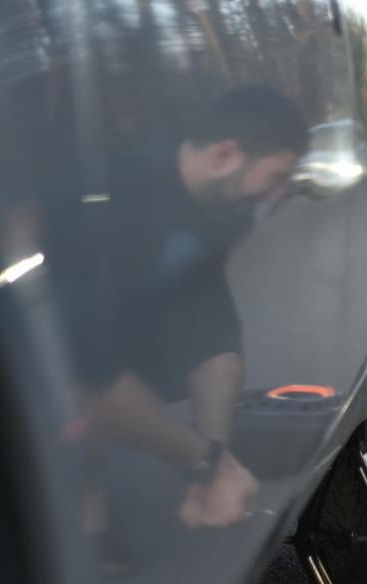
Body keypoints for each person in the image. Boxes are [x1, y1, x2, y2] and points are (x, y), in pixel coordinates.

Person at [42, 86, 307, 536]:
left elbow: (212, 327)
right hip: (35, 369)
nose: (277, 196)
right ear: (225, 155)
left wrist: (210, 463)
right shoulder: (108, 205)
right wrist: (204, 464)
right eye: (276, 176)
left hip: (95, 355)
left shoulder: (217, 207)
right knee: (79, 533)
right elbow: (86, 369)